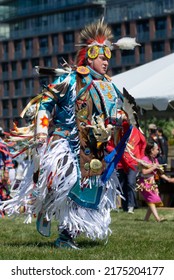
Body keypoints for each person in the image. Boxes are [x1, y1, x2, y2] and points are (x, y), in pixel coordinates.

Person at [0, 20, 139, 248]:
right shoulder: (69, 79)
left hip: (93, 148)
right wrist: (42, 130)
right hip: (65, 144)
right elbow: (45, 104)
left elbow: (115, 116)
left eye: (108, 58)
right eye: (102, 57)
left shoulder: (107, 86)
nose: (106, 62)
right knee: (68, 185)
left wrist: (118, 123)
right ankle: (52, 216)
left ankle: (67, 234)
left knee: (85, 193)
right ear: (90, 56)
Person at [107, 117, 146, 214]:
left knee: (130, 182)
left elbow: (143, 143)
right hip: (120, 162)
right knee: (121, 185)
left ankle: (131, 205)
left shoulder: (136, 131)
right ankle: (125, 206)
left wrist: (140, 156)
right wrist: (115, 152)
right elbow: (109, 145)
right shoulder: (116, 133)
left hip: (133, 162)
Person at [136, 142, 174, 222]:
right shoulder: (145, 159)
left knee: (152, 200)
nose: (158, 151)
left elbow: (158, 173)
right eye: (157, 149)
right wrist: (153, 167)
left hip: (152, 183)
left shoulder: (155, 160)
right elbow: (144, 172)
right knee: (152, 199)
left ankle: (146, 219)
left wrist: (168, 179)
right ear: (151, 150)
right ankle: (158, 218)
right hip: (144, 183)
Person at [0, 127, 13, 217]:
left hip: (1, 169)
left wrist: (6, 172)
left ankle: (2, 211)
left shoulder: (2, 145)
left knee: (4, 191)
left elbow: (8, 159)